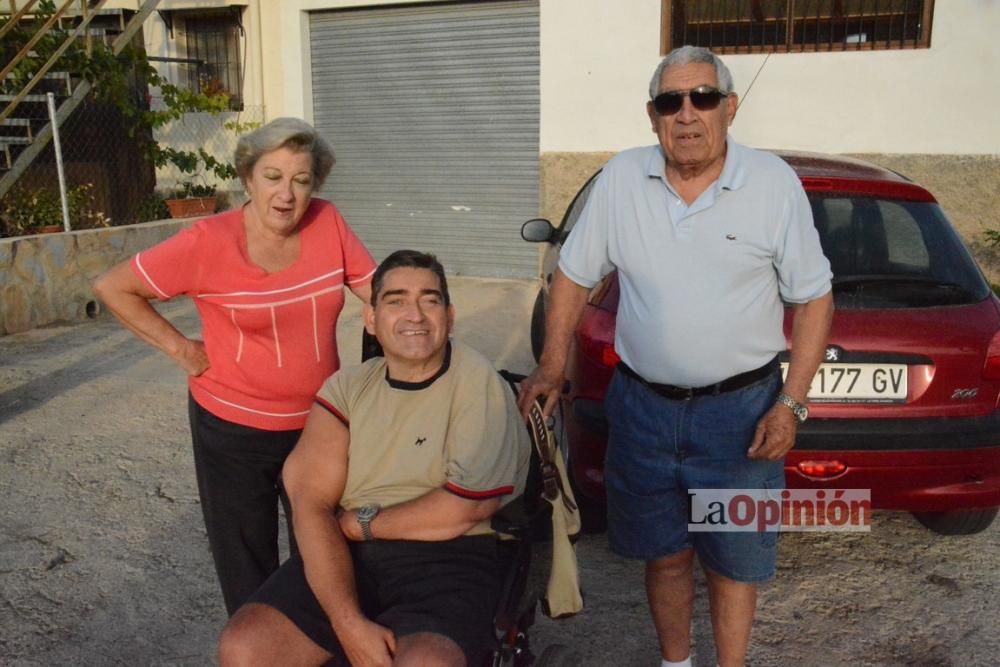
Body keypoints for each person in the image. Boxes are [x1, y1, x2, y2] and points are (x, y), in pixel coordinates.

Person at [517, 46, 834, 667]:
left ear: (729, 107)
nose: (686, 114)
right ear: (652, 114)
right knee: (664, 552)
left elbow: (815, 300)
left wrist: (791, 403)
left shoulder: (772, 184)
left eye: (703, 98)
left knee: (733, 558)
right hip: (643, 412)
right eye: (671, 102)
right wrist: (553, 364)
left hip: (740, 416)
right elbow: (573, 278)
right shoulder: (620, 178)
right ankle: (676, 663)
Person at [92, 117, 376, 615]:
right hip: (232, 430)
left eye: (301, 180)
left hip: (319, 426)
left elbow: (377, 293)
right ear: (247, 178)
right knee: (247, 566)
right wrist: (182, 350)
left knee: (329, 554)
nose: (286, 194)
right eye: (272, 177)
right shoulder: (208, 241)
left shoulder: (327, 222)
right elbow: (114, 287)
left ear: (316, 186)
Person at [217, 250, 531, 667]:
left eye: (429, 300)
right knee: (246, 647)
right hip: (351, 553)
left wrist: (361, 522)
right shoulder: (347, 388)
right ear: (371, 317)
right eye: (396, 300)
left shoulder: (478, 383)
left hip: (450, 558)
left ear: (450, 316)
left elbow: (465, 507)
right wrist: (347, 622)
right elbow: (310, 500)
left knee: (424, 664)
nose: (414, 315)